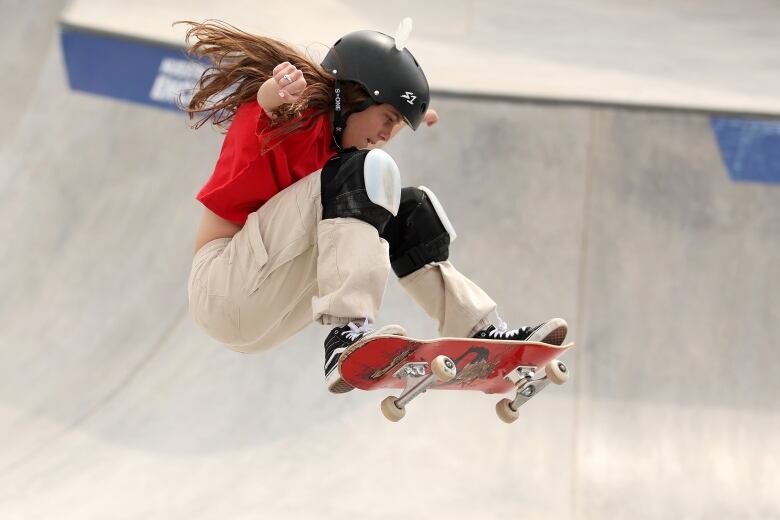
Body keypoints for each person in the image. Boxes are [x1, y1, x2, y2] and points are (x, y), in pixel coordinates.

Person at [184, 20, 568, 393]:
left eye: (398, 126)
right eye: (387, 119)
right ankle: (347, 333)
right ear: (354, 96)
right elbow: (266, 110)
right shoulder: (293, 117)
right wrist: (274, 92)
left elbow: (355, 174)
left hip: (269, 306)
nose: (386, 135)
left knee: (411, 209)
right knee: (366, 173)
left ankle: (481, 331)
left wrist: (406, 112)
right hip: (222, 285)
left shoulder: (339, 156)